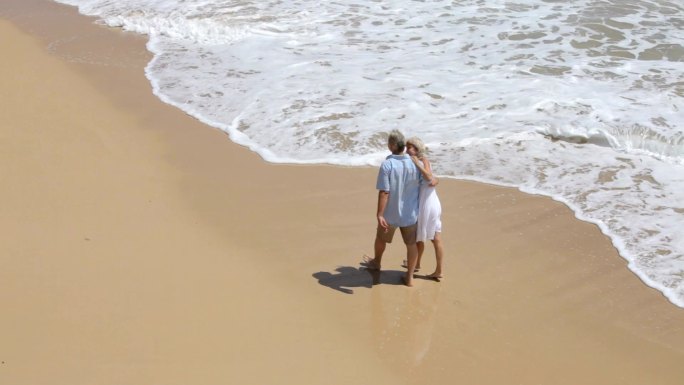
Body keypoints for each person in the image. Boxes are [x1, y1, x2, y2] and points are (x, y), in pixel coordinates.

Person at [362, 129, 422, 286]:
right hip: (410, 214)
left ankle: (377, 263)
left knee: (381, 238)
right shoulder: (416, 164)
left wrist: (380, 214)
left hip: (390, 214)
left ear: (393, 145)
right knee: (411, 245)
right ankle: (409, 277)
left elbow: (384, 192)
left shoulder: (387, 165)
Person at [405, 137, 444, 280]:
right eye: (406, 147)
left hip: (429, 203)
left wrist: (416, 163)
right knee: (420, 238)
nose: (407, 149)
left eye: (410, 147)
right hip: (426, 202)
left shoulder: (422, 160)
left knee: (435, 238)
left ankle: (439, 271)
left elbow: (428, 177)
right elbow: (432, 178)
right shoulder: (413, 162)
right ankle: (417, 264)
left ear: (416, 149)